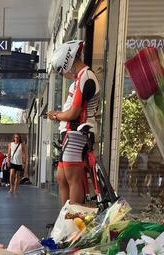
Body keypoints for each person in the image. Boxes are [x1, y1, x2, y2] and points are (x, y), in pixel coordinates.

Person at [47, 40, 100, 206]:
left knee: (72, 177)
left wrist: (56, 115)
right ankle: (66, 218)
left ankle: (74, 220)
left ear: (66, 62)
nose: (64, 74)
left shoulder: (85, 76)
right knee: (62, 176)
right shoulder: (80, 78)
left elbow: (74, 112)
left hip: (79, 132)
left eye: (62, 71)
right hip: (72, 133)